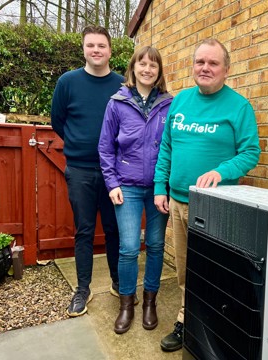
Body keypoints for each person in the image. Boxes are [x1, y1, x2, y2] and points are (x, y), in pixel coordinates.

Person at [153, 38, 261, 352]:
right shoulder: (181, 102)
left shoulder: (238, 107)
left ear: (226, 70)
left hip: (217, 208)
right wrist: (161, 187)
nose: (205, 68)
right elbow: (167, 149)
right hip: (179, 201)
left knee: (216, 272)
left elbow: (250, 153)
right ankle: (186, 322)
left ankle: (217, 329)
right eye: (200, 62)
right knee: (186, 269)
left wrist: (222, 171)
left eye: (213, 63)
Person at [51, 25, 124, 317]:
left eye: (102, 46)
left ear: (110, 50)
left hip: (113, 173)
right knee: (83, 230)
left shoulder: (121, 85)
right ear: (83, 48)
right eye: (90, 45)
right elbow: (58, 121)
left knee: (113, 230)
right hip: (80, 169)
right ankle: (83, 289)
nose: (96, 50)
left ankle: (120, 283)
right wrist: (80, 144)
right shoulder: (67, 82)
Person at [98, 46, 172, 334]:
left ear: (159, 71)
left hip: (157, 188)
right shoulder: (117, 103)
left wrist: (164, 185)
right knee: (128, 248)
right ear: (133, 67)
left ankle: (150, 301)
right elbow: (105, 147)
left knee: (155, 245)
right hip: (126, 187)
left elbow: (172, 147)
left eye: (153, 65)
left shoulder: (169, 104)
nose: (147, 69)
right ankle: (126, 304)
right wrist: (112, 183)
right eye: (142, 64)